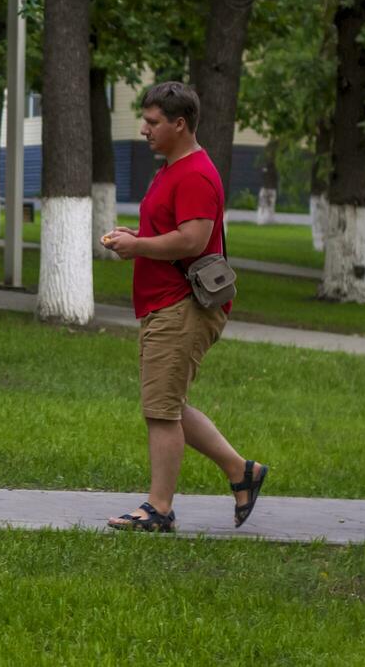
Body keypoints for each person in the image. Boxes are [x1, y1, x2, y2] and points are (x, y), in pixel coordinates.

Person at [98, 81, 266, 532]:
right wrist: (135, 234)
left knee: (161, 410)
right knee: (167, 403)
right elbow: (173, 228)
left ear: (179, 123)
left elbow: (192, 239)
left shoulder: (193, 173)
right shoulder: (170, 168)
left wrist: (139, 247)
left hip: (182, 304)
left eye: (153, 123)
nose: (144, 130)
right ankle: (241, 471)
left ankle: (159, 509)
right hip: (165, 302)